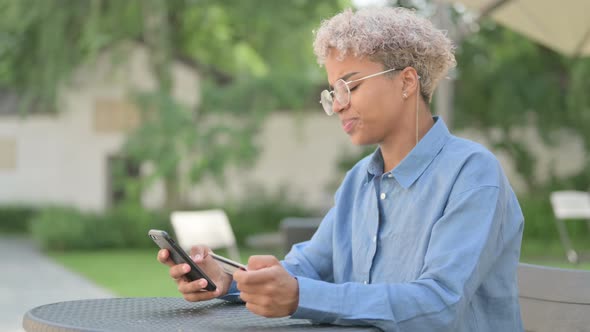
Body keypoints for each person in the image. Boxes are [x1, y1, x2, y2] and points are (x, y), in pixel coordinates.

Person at [158, 6, 524, 331]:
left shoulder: (473, 174)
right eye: (333, 92)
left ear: (407, 82)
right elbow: (307, 269)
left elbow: (438, 304)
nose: (339, 105)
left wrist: (301, 295)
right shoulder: (358, 182)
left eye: (350, 85)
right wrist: (228, 280)